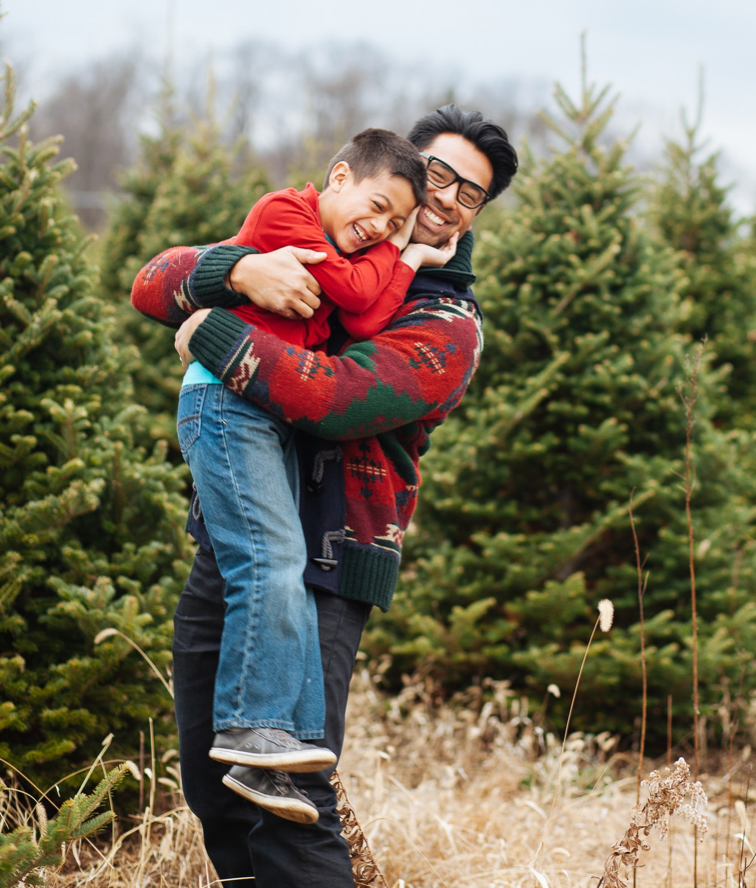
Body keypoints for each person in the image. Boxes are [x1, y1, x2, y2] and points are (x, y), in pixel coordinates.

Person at [131, 104, 518, 888]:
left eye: (467, 194)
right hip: (234, 549)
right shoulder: (320, 236)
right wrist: (236, 272)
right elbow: (153, 278)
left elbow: (337, 396)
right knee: (213, 782)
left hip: (328, 564)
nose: (445, 198)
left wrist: (212, 328)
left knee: (289, 800)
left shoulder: (446, 319)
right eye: (434, 174)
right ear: (397, 169)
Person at [168, 128, 455, 823]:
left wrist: (399, 256)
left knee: (280, 562)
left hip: (264, 415)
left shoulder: (447, 319)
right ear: (338, 176)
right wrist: (405, 252)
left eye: (396, 220)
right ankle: (252, 731)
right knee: (269, 558)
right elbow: (358, 294)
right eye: (378, 206)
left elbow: (369, 315)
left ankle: (277, 745)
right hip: (226, 401)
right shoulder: (283, 213)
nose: (381, 225)